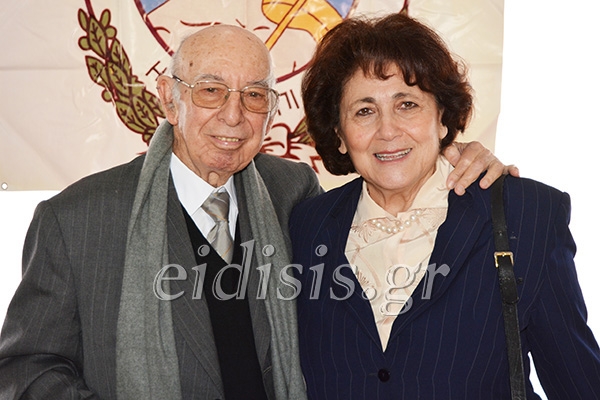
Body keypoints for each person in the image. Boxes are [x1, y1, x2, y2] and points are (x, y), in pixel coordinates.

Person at [0, 24, 511, 400]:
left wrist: (453, 159)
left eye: (253, 95)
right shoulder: (77, 220)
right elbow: (26, 368)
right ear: (169, 99)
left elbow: (384, 206)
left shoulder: (293, 193)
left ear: (271, 111)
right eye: (210, 90)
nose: (233, 115)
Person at [290, 12, 600, 400]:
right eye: (364, 111)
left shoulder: (525, 215)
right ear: (339, 133)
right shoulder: (305, 226)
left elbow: (578, 383)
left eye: (407, 105)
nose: (388, 131)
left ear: (441, 118)